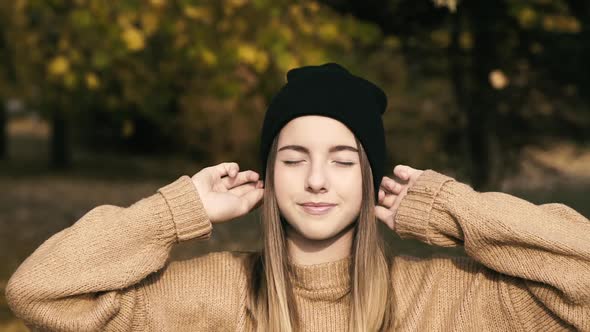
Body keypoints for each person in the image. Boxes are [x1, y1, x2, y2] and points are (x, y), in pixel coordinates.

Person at [5, 63, 590, 331]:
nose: (317, 180)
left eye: (342, 161)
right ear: (268, 174)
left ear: (371, 177)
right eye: (293, 159)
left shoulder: (451, 298)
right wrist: (175, 211)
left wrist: (458, 211)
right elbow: (40, 293)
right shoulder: (209, 295)